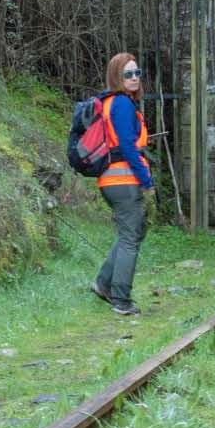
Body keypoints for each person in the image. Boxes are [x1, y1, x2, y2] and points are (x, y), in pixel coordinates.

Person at [91, 52, 152, 316]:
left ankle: (103, 284)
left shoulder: (108, 103)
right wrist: (146, 179)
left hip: (109, 179)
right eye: (128, 74)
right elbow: (127, 145)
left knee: (131, 233)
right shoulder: (124, 105)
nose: (134, 78)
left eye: (137, 72)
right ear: (117, 77)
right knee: (131, 238)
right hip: (124, 179)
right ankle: (121, 299)